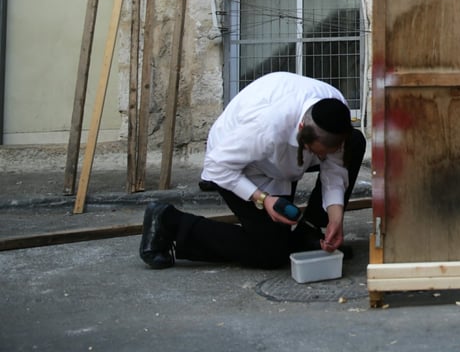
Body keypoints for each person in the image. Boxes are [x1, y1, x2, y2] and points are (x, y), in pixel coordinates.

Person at [139, 71, 366, 270]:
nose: (323, 159)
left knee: (355, 142)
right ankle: (168, 222)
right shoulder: (266, 128)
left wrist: (336, 217)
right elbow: (216, 166)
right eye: (318, 153)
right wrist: (263, 199)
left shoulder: (335, 114)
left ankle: (310, 231)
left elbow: (335, 170)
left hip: (280, 158)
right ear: (301, 130)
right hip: (236, 164)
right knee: (270, 253)